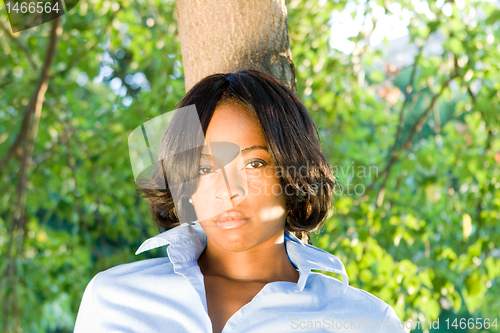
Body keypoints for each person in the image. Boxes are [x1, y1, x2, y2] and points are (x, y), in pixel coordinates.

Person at [74, 70, 406, 333]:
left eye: (254, 164)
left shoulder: (366, 321)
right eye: (205, 167)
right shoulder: (115, 298)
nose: (227, 190)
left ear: (291, 174)